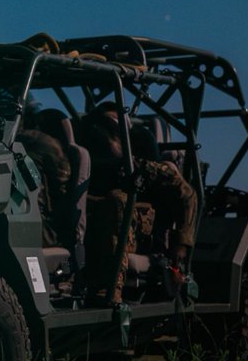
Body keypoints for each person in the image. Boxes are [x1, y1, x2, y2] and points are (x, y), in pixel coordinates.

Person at [76, 105, 197, 304]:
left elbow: (187, 194)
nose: (101, 135)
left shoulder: (139, 165)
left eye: (109, 129)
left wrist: (181, 246)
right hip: (91, 224)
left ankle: (109, 290)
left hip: (132, 228)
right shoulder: (84, 159)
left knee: (117, 201)